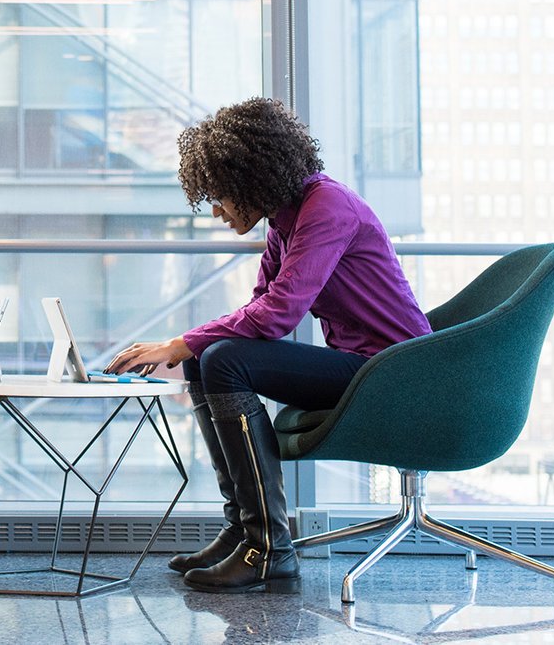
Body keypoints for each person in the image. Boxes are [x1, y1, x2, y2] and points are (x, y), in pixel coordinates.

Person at [105, 98, 432, 594]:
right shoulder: (287, 219)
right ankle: (244, 532)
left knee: (221, 356)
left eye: (219, 196)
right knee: (208, 358)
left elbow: (278, 315)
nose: (215, 210)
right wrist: (185, 347)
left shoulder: (327, 207)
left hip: (394, 372)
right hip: (364, 366)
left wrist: (178, 342)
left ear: (250, 180)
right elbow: (260, 304)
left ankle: (269, 548)